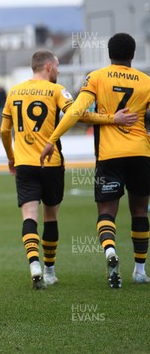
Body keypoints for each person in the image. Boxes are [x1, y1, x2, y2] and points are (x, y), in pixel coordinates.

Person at [1, 49, 137, 289]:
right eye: (58, 66)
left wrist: (11, 158)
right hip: (51, 163)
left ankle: (34, 264)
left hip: (24, 163)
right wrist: (110, 119)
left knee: (29, 216)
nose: (59, 70)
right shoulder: (56, 90)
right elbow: (78, 114)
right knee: (51, 217)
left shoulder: (14, 91)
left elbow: (4, 130)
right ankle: (50, 271)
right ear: (49, 68)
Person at [41, 33, 150, 289]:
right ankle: (140, 270)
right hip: (140, 153)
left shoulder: (97, 77)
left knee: (106, 212)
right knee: (139, 211)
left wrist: (52, 139)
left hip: (110, 156)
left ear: (109, 54)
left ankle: (110, 250)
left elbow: (76, 112)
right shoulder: (146, 82)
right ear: (132, 55)